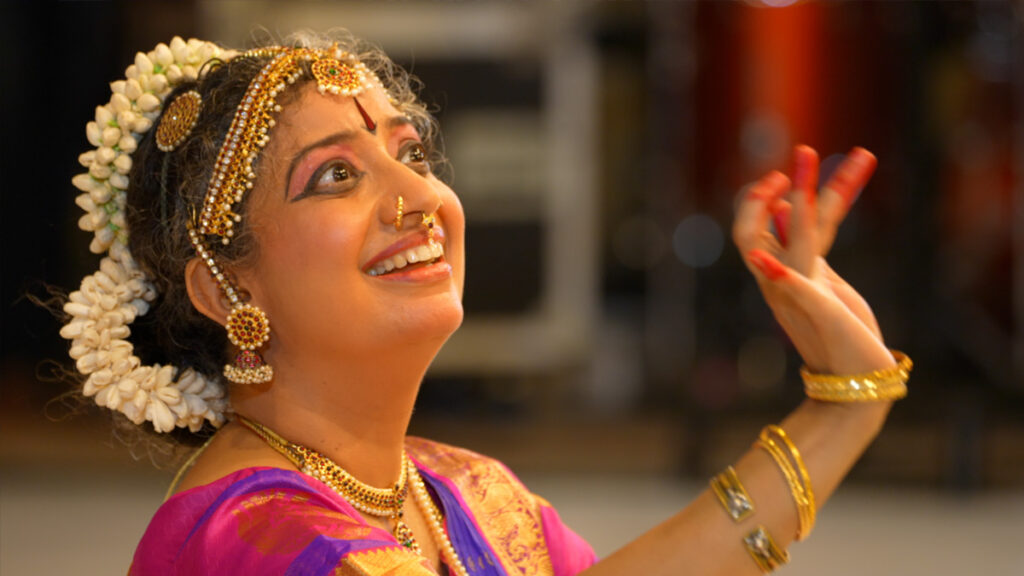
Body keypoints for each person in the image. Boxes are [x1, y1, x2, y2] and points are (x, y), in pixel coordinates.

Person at [59, 31, 910, 576]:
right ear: (228, 286)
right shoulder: (258, 540)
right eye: (337, 176)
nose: (416, 197)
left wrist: (848, 400)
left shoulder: (458, 489)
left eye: (412, 154)